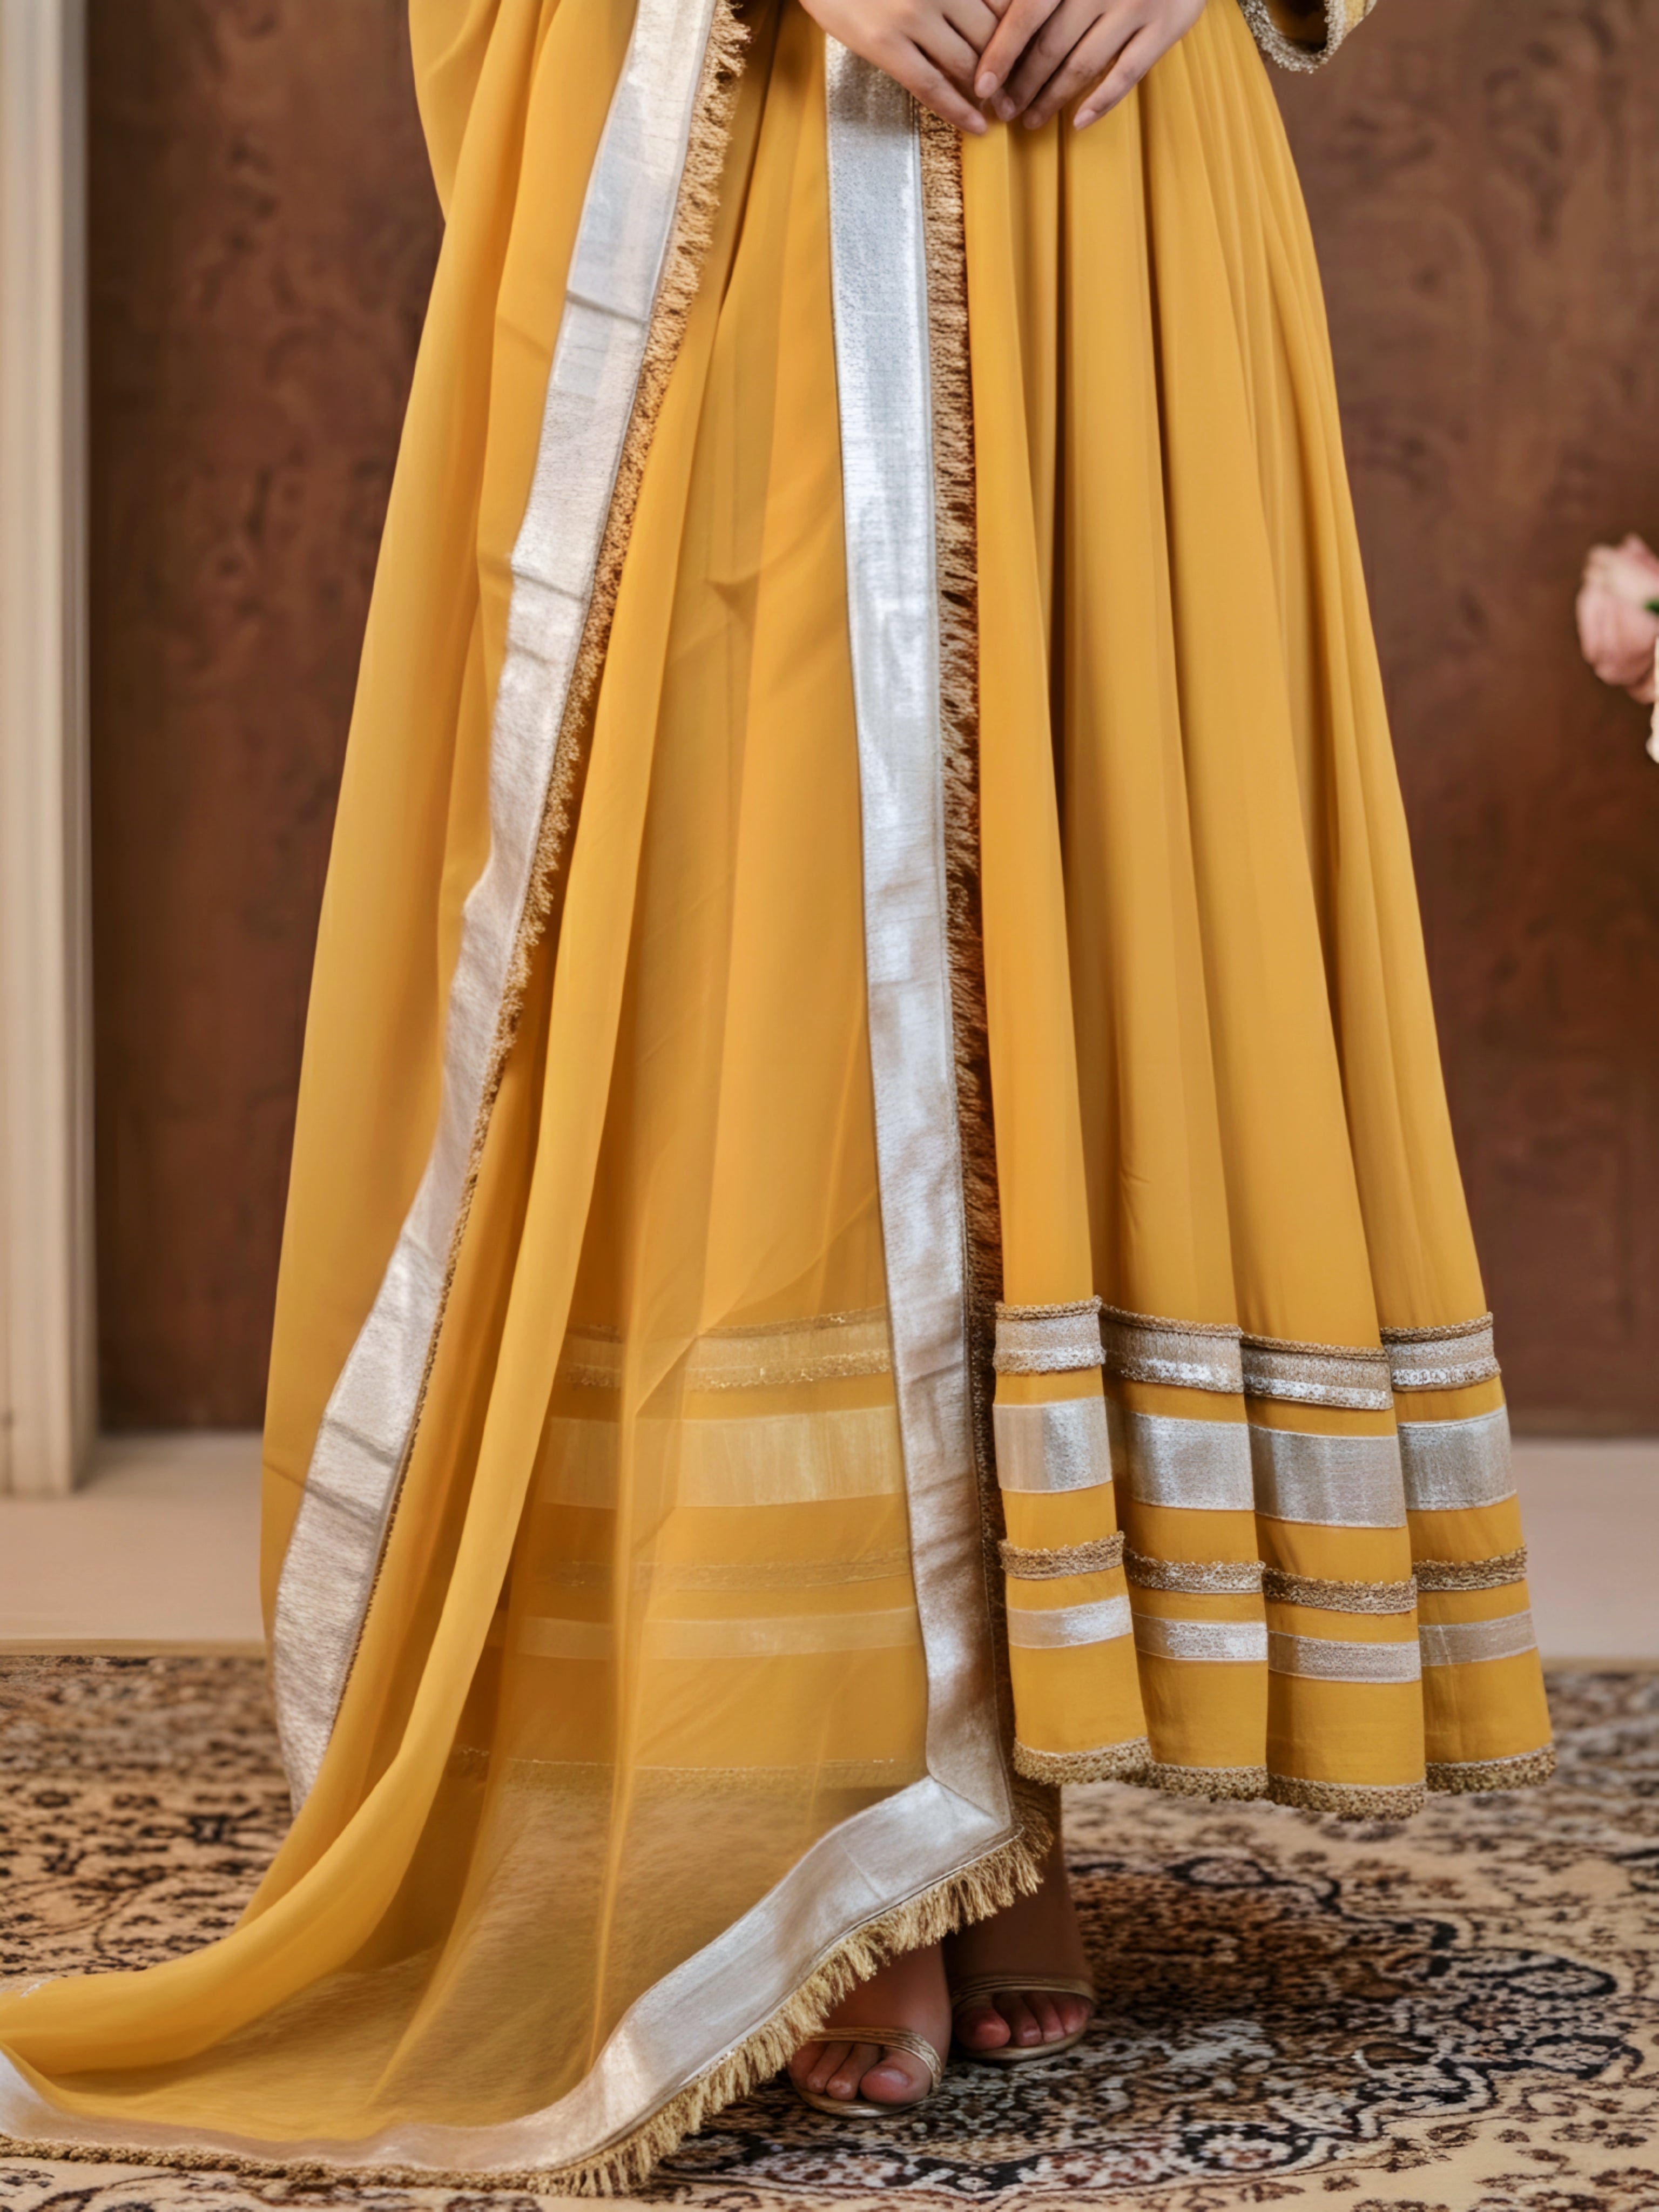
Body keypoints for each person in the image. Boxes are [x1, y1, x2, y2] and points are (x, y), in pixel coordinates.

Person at [0, 0, 1553, 2186]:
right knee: (782, 947)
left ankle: (1003, 1790)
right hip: (763, 140)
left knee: (1084, 895)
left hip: (1108, 171)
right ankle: (813, 1793)